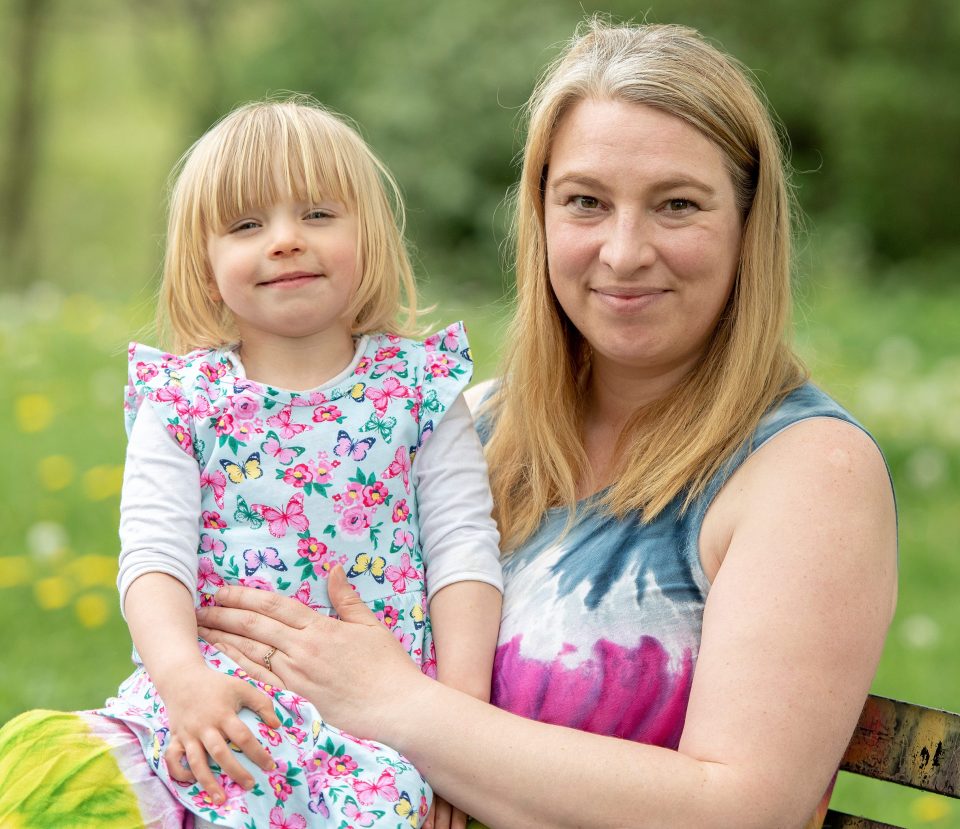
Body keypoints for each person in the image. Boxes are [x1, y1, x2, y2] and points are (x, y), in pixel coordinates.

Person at [185, 20, 898, 829]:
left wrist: (403, 708)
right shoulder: (473, 427)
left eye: (677, 205)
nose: (624, 252)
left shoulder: (808, 472)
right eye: (586, 202)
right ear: (541, 215)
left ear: (746, 224)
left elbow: (741, 810)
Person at [0, 99, 503, 829]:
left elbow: (463, 552)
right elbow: (152, 557)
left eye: (319, 214)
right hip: (222, 701)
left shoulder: (419, 392)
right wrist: (181, 679)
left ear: (373, 236)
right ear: (204, 266)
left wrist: (462, 727)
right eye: (246, 225)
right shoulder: (183, 402)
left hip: (382, 717)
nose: (286, 241)